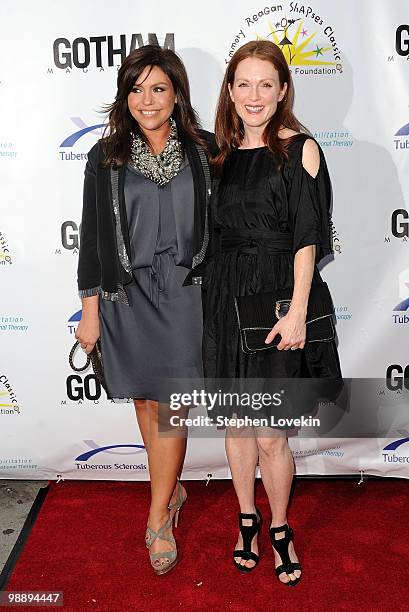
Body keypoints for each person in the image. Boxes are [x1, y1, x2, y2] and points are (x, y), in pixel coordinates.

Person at [201, 40, 342, 586]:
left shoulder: (301, 149)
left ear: (283, 90)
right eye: (243, 84)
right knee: (237, 427)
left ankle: (280, 526)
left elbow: (309, 235)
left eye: (266, 84)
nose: (254, 95)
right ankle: (246, 520)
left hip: (278, 300)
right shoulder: (217, 153)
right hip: (224, 297)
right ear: (230, 91)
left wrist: (299, 310)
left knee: (270, 435)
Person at [75, 44, 214, 575]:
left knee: (171, 404)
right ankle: (170, 488)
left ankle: (158, 515)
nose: (147, 100)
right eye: (136, 89)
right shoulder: (105, 156)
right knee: (145, 404)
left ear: (177, 94)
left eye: (158, 88)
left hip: (186, 292)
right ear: (123, 95)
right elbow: (91, 237)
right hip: (125, 298)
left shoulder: (205, 152)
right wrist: (90, 310)